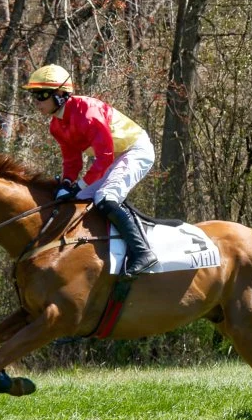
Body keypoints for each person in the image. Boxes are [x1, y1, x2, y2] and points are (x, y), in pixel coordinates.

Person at [22, 64, 159, 277]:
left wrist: (81, 184)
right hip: (112, 158)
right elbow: (72, 160)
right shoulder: (56, 125)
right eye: (34, 96)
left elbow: (103, 157)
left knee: (106, 197)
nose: (36, 102)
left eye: (41, 95)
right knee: (74, 200)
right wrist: (67, 184)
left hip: (134, 150)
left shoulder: (88, 111)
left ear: (59, 94)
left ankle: (143, 253)